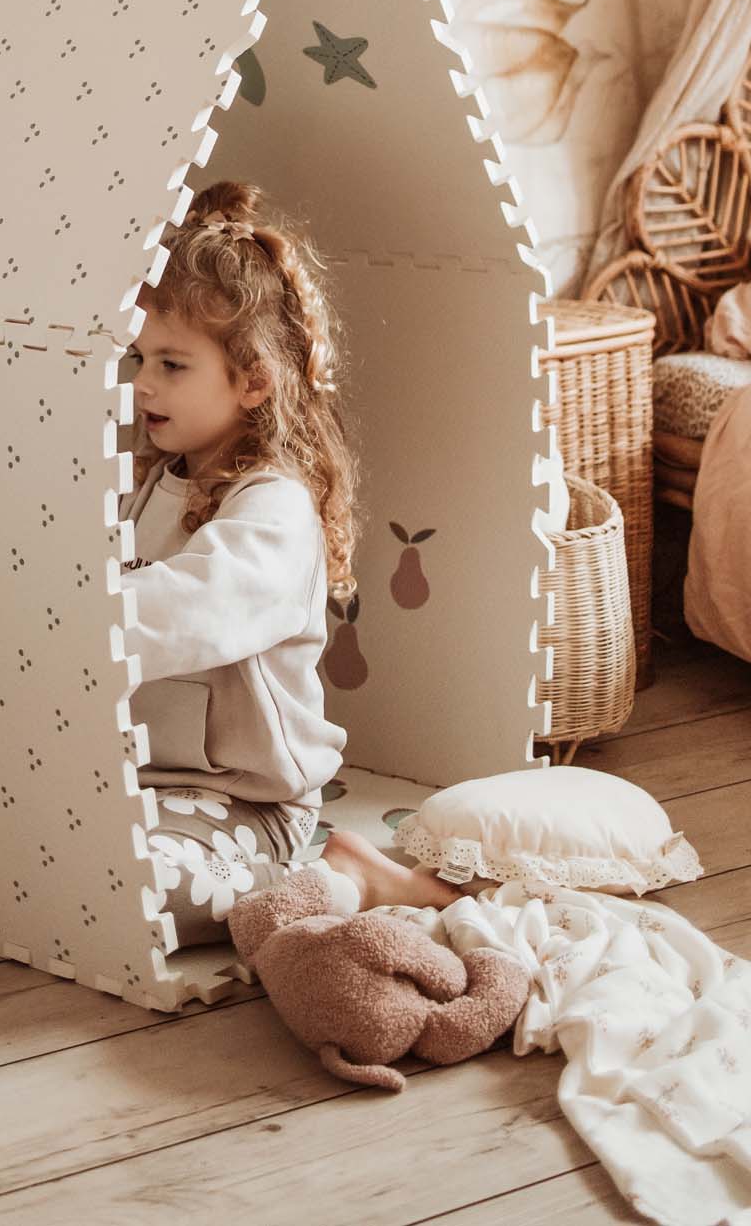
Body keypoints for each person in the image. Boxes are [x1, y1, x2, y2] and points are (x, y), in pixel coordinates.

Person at [122, 178, 457, 949]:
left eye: (172, 364)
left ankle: (347, 878)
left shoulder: (273, 508)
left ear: (253, 381)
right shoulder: (150, 483)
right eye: (141, 359)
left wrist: (79, 615)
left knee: (128, 892)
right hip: (147, 785)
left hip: (248, 808)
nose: (142, 383)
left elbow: (198, 604)